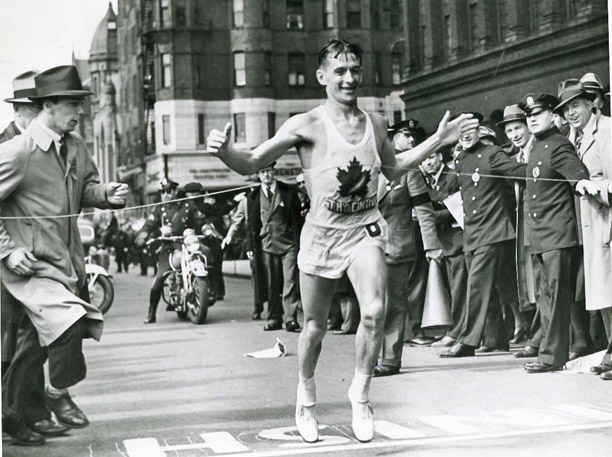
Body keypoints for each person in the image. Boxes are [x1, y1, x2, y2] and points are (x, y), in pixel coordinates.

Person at [207, 39, 477, 443]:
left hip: (364, 230)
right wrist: (225, 152)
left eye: (354, 70)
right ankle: (306, 394)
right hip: (320, 235)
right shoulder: (306, 124)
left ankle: (361, 395)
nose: (349, 78)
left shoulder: (377, 122)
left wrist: (437, 140)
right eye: (340, 71)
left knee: (374, 311)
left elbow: (395, 167)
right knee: (314, 327)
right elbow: (251, 162)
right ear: (322, 77)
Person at [0, 65, 128, 445]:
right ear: (49, 105)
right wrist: (7, 251)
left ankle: (13, 414)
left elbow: (86, 188)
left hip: (65, 262)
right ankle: (56, 395)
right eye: (73, 104)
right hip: (29, 267)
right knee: (69, 324)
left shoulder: (75, 145)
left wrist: (106, 194)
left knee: (35, 344)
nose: (80, 112)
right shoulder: (19, 150)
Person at [516, 93, 598, 373]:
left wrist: (582, 185)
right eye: (529, 116)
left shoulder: (558, 145)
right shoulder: (537, 146)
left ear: (553, 116)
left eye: (538, 114)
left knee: (557, 296)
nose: (533, 120)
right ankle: (550, 354)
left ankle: (552, 357)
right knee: (547, 297)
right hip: (542, 235)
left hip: (558, 234)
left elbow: (579, 176)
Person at [438, 111, 528, 358]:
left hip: (494, 232)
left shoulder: (492, 154)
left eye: (471, 131)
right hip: (473, 235)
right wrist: (449, 152)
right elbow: (443, 189)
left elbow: (517, 170)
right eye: (461, 133)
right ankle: (495, 339)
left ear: (480, 132)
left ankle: (467, 342)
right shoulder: (460, 160)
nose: (466, 136)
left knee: (477, 286)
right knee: (492, 287)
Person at [373, 119, 442, 377]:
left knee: (393, 304)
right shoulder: (368, 170)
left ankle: (390, 358)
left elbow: (424, 210)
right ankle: (369, 355)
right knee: (371, 305)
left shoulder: (409, 170)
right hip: (367, 248)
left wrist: (431, 246)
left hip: (397, 247)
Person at [556, 80, 612, 377]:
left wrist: (593, 188)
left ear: (591, 103)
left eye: (575, 105)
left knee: (609, 289)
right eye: (565, 109)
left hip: (605, 222)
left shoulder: (606, 132)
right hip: (587, 224)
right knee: (602, 292)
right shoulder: (575, 137)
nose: (570, 113)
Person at [136, 178, 207, 324]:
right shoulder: (159, 209)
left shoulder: (188, 204)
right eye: (163, 192)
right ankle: (151, 312)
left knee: (207, 255)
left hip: (187, 244)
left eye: (168, 191)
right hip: (168, 248)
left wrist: (209, 230)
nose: (166, 194)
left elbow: (202, 220)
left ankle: (207, 290)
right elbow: (149, 224)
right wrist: (144, 234)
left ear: (175, 191)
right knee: (158, 280)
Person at [243, 162, 303, 332]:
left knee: (290, 281)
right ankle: (273, 318)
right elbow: (251, 224)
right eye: (262, 172)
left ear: (273, 172)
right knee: (271, 283)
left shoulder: (287, 191)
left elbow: (298, 219)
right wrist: (250, 246)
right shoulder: (253, 197)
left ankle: (290, 319)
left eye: (268, 171)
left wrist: (300, 243)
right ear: (259, 175)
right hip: (266, 244)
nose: (266, 175)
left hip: (289, 243)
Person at [421, 149, 468, 349]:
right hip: (444, 242)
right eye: (423, 160)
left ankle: (456, 332)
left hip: (457, 240)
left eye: (431, 157)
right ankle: (456, 330)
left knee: (459, 289)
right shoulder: (428, 180)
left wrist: (429, 215)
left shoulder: (452, 176)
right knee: (451, 288)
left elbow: (456, 208)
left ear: (440, 157)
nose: (427, 163)